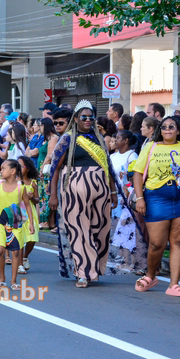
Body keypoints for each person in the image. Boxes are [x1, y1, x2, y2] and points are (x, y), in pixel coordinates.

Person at [48, 100, 126, 287]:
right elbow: (55, 168)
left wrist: (113, 191)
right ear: (76, 119)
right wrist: (53, 194)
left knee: (100, 230)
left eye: (91, 117)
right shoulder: (67, 139)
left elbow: (108, 167)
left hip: (101, 189)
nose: (88, 120)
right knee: (78, 231)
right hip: (74, 189)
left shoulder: (99, 138)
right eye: (84, 117)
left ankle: (94, 268)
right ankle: (82, 271)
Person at [132, 115, 180, 296]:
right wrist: (140, 198)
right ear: (160, 130)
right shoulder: (150, 147)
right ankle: (150, 276)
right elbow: (138, 173)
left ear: (179, 130)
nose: (168, 129)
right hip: (156, 197)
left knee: (178, 241)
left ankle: (174, 284)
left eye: (172, 126)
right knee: (157, 243)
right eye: (164, 127)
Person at [0, 159, 36, 289]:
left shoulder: (21, 187)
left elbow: (28, 205)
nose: (0, 171)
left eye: (3, 168)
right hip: (1, 223)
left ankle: (13, 281)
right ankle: (2, 278)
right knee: (0, 250)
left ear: (13, 171)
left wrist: (31, 223)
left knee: (16, 253)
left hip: (15, 223)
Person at [17, 155, 39, 272]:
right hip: (18, 212)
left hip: (30, 212)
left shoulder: (32, 183)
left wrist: (31, 198)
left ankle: (25, 257)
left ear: (28, 168)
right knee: (20, 237)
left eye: (21, 166)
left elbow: (37, 200)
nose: (19, 169)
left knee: (32, 238)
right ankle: (20, 264)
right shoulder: (14, 182)